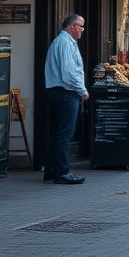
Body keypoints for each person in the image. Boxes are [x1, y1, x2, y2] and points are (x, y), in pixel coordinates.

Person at [44, 14, 89, 184]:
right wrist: (82, 89)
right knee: (64, 134)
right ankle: (62, 172)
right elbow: (69, 72)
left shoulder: (65, 42)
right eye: (80, 26)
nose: (82, 30)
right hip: (65, 92)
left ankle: (50, 171)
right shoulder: (64, 43)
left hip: (58, 91)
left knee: (56, 133)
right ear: (71, 27)